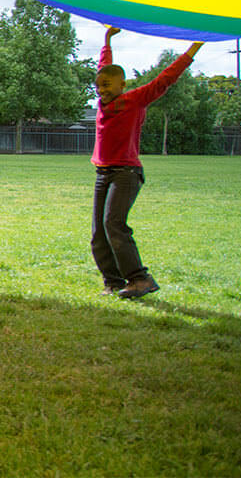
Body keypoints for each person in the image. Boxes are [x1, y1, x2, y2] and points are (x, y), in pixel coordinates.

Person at [91, 26, 202, 299]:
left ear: (122, 85)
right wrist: (107, 39)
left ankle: (141, 279)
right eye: (99, 86)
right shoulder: (104, 102)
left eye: (107, 85)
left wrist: (193, 48)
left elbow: (166, 79)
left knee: (114, 225)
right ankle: (114, 282)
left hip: (126, 173)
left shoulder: (135, 100)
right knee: (99, 234)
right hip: (103, 173)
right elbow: (105, 66)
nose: (102, 90)